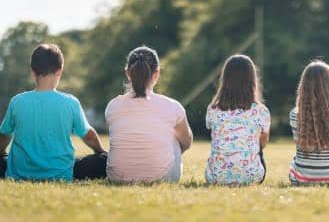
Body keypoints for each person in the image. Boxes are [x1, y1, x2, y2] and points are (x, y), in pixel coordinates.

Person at [0, 44, 106, 181]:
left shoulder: (17, 101)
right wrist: (101, 152)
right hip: (61, 173)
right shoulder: (70, 102)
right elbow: (89, 136)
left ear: (32, 71)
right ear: (60, 71)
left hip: (20, 173)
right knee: (105, 160)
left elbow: (4, 136)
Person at [105, 46, 193, 183]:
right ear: (156, 74)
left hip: (117, 177)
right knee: (175, 134)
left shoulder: (112, 106)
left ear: (128, 73)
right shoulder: (173, 106)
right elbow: (187, 142)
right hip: (163, 177)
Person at [205, 55, 270, 185]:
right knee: (258, 148)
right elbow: (263, 143)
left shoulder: (213, 109)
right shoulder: (261, 110)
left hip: (216, 177)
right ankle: (248, 169)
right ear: (252, 80)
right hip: (252, 177)